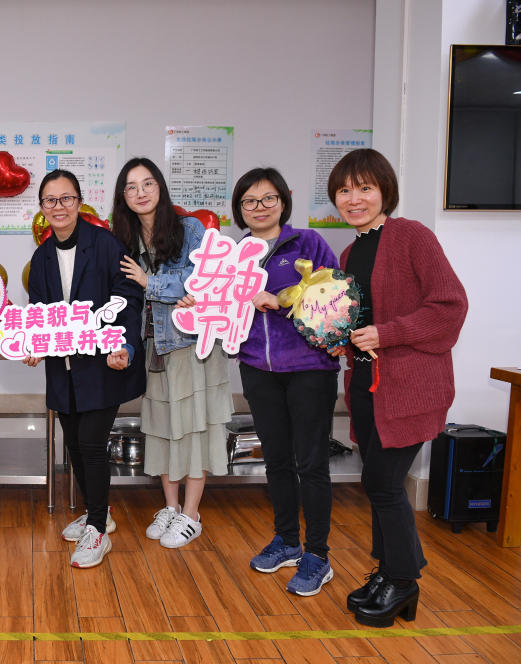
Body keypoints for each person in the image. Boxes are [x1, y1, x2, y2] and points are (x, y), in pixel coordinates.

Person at [328, 149, 467, 626]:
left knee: (382, 484)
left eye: (364, 188)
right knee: (380, 486)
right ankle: (388, 573)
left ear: (385, 190)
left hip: (409, 389)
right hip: (366, 386)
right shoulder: (350, 253)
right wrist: (342, 341)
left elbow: (450, 306)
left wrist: (387, 334)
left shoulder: (411, 236)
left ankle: (404, 581)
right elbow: (359, 321)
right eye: (344, 190)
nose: (354, 199)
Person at [219, 167, 341, 596]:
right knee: (276, 461)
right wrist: (199, 303)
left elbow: (335, 300)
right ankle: (287, 541)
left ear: (283, 202)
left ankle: (318, 555)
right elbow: (223, 306)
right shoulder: (234, 256)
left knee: (312, 463)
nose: (259, 207)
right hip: (257, 367)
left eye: (268, 198)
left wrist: (282, 300)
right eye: (249, 201)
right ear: (239, 209)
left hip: (309, 367)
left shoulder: (308, 243)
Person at [25, 169, 145, 568]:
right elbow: (40, 314)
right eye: (50, 200)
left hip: (104, 362)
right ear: (42, 208)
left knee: (91, 442)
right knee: (74, 442)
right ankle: (101, 512)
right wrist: (33, 344)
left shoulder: (106, 244)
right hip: (63, 368)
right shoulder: (41, 257)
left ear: (79, 201)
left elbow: (128, 299)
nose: (58, 207)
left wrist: (126, 345)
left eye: (66, 198)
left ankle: (97, 530)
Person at [112, 157, 233, 549]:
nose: (141, 192)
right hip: (154, 347)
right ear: (123, 196)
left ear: (160, 188)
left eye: (148, 183)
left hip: (192, 346)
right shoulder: (124, 238)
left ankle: (191, 515)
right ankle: (170, 506)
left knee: (195, 430)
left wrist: (150, 282)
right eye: (131, 187)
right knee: (162, 429)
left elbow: (200, 281)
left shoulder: (189, 228)